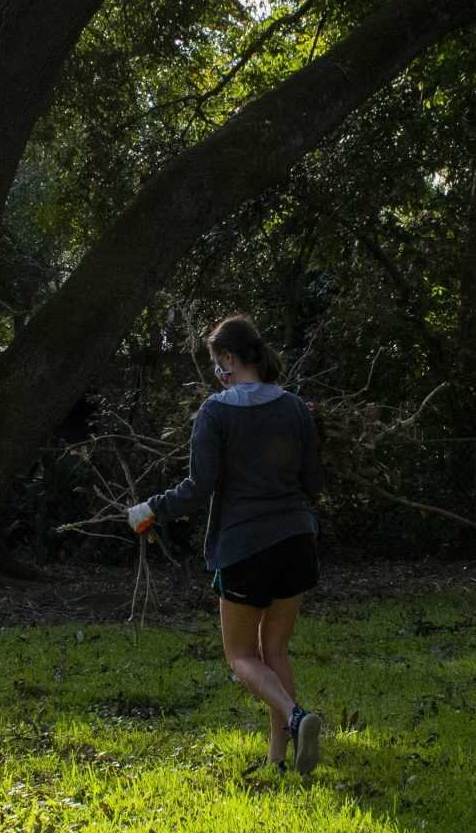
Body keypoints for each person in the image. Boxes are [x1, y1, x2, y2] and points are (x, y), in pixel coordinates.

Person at [129, 316, 328, 774]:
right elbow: (312, 481)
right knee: (275, 652)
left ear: (229, 359)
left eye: (216, 361)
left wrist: (149, 509)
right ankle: (279, 757)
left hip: (245, 548)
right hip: (297, 540)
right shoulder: (297, 407)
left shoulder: (215, 412)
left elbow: (198, 489)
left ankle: (298, 718)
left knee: (241, 656)